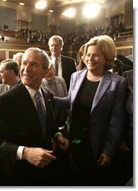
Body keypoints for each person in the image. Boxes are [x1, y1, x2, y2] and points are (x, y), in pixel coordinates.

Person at [0, 47, 69, 186]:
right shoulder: (4, 100)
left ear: (46, 70)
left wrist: (57, 135)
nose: (26, 69)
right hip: (19, 176)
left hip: (46, 172)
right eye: (24, 63)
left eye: (33, 64)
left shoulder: (47, 94)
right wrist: (25, 152)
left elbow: (48, 123)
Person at [54, 35, 127, 185]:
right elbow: (70, 101)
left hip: (97, 143)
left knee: (94, 180)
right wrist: (49, 99)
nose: (89, 58)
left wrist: (108, 151)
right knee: (74, 177)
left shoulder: (118, 83)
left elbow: (116, 120)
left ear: (106, 57)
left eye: (95, 55)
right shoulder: (76, 76)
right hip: (74, 137)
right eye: (87, 54)